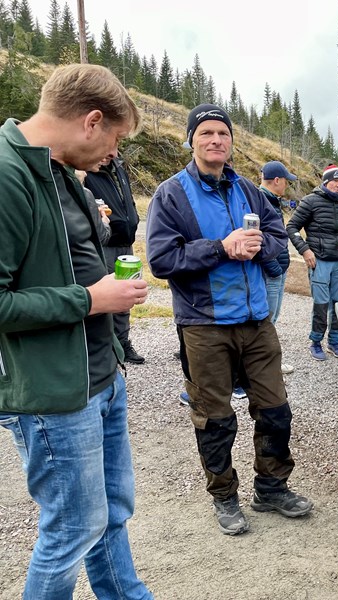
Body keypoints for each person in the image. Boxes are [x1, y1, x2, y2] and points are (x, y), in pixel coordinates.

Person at [0, 63, 152, 599]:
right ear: (91, 122)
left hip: (100, 375)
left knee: (109, 514)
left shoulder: (59, 169)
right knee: (71, 530)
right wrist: (91, 299)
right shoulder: (6, 173)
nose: (114, 153)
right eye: (114, 138)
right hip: (54, 394)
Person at [146, 104, 313, 536]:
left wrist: (263, 248)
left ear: (231, 141)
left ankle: (272, 487)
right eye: (206, 133)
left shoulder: (251, 192)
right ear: (191, 140)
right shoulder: (171, 194)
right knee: (215, 418)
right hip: (203, 325)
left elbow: (278, 238)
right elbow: (162, 260)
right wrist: (222, 247)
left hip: (257, 322)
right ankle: (224, 497)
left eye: (223, 133)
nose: (216, 140)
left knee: (276, 410)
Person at [286, 164, 338, 361]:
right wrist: (305, 250)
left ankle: (334, 342)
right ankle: (316, 342)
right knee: (321, 303)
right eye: (335, 181)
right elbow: (291, 227)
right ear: (325, 182)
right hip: (319, 261)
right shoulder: (310, 201)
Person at [85, 154, 144, 363]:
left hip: (126, 243)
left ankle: (123, 342)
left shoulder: (118, 168)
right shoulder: (88, 169)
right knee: (106, 297)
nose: (110, 152)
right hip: (105, 244)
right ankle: (107, 348)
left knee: (126, 296)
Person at [260, 160, 297, 375]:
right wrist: (273, 266)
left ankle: (268, 363)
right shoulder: (261, 200)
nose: (287, 186)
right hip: (271, 271)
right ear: (276, 180)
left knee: (271, 319)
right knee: (266, 320)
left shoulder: (272, 200)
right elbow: (259, 238)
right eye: (286, 181)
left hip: (278, 269)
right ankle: (264, 366)